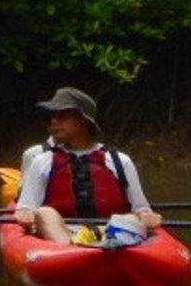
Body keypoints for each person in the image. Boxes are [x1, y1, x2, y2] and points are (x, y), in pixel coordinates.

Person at [13, 87, 161, 244]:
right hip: (61, 233)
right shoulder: (42, 161)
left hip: (112, 233)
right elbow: (26, 207)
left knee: (131, 217)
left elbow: (140, 209)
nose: (53, 122)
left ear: (84, 121)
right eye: (50, 117)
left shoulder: (119, 161)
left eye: (61, 116)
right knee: (44, 213)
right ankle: (71, 252)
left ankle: (109, 250)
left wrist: (146, 216)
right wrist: (25, 214)